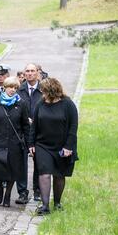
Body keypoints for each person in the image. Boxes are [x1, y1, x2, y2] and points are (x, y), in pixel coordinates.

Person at [30, 78, 78, 215]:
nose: (42, 93)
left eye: (44, 91)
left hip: (62, 146)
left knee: (59, 175)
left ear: (51, 91)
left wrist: (68, 147)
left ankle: (57, 202)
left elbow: (73, 128)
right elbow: (34, 126)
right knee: (44, 173)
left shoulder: (68, 104)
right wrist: (31, 144)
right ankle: (45, 206)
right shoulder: (41, 104)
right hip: (43, 145)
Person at [0, 77, 31, 207]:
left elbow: (25, 125)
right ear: (4, 87)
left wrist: (29, 144)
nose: (13, 90)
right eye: (10, 87)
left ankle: (8, 194)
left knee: (12, 170)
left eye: (15, 88)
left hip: (14, 143)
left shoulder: (21, 104)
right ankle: (0, 190)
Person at [19, 63, 43, 202]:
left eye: (32, 71)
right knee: (21, 164)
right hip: (22, 132)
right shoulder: (19, 89)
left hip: (39, 133)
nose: (29, 73)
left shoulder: (43, 90)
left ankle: (38, 190)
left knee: (39, 163)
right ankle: (22, 192)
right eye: (27, 71)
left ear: (37, 73)